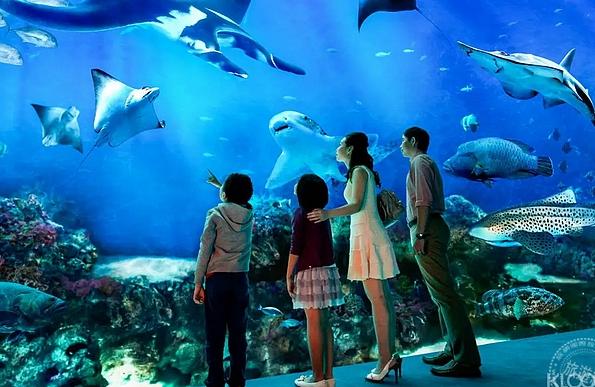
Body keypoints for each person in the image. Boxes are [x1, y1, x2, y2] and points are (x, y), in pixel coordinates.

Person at [307, 132, 402, 383]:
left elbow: (357, 204)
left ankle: (385, 360)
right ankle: (389, 356)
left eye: (341, 145)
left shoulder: (359, 171)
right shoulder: (358, 171)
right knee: (382, 300)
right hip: (366, 234)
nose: (337, 148)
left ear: (349, 149)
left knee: (378, 300)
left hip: (368, 236)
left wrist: (328, 214)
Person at [400, 126, 482, 377]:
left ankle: (466, 359)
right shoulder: (424, 162)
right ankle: (453, 347)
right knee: (440, 295)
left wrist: (422, 234)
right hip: (431, 226)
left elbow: (422, 201)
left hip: (428, 228)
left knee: (445, 294)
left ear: (413, 141)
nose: (401, 145)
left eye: (404, 141)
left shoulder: (419, 163)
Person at [193, 173, 254, 387]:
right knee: (238, 334)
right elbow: (240, 199)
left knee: (215, 333)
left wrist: (198, 283)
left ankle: (215, 380)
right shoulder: (249, 213)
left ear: (225, 194)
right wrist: (222, 186)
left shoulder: (215, 214)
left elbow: (205, 250)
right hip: (240, 281)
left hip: (217, 281)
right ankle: (237, 379)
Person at [287, 174, 345, 387]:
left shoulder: (301, 214)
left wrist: (288, 274)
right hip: (327, 270)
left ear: (303, 193)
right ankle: (328, 376)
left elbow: (296, 247)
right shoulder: (322, 215)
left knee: (313, 324)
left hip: (309, 272)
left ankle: (317, 377)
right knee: (325, 323)